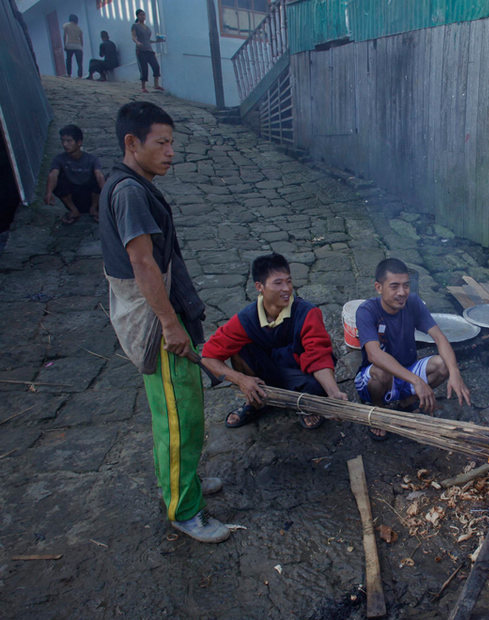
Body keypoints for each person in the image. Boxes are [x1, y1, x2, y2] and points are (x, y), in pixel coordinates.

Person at [99, 101, 229, 543]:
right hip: (159, 328)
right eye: (162, 142)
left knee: (178, 414)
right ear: (131, 143)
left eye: (173, 142)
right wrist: (171, 325)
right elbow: (143, 263)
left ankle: (181, 483)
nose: (171, 151)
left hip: (166, 320)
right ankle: (184, 510)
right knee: (179, 420)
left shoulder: (133, 185)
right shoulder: (130, 192)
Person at [201, 253, 348, 429]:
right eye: (278, 283)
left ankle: (308, 407)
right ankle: (255, 402)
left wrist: (333, 393)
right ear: (259, 287)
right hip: (264, 371)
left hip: (296, 370)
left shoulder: (307, 313)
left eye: (289, 281)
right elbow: (208, 357)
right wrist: (241, 379)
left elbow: (318, 356)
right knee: (239, 349)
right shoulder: (247, 319)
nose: (286, 288)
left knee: (317, 386)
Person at [355, 258, 471, 439]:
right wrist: (417, 381)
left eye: (406, 286)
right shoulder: (367, 311)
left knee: (443, 364)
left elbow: (439, 337)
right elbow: (373, 354)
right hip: (376, 377)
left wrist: (455, 373)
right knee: (381, 371)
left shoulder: (414, 302)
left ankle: (407, 402)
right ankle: (378, 410)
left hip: (408, 369)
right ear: (379, 287)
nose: (402, 293)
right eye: (394, 286)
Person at [44, 125, 105, 224]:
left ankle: (94, 209)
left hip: (90, 194)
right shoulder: (59, 159)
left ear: (79, 142)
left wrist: (106, 193)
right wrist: (48, 192)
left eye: (69, 141)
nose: (65, 144)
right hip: (73, 195)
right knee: (59, 181)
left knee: (99, 179)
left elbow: (99, 175)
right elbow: (53, 174)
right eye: (63, 141)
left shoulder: (91, 159)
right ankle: (73, 210)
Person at [131, 9, 162, 93]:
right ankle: (143, 87)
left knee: (156, 66)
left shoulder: (147, 28)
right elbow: (133, 36)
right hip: (141, 50)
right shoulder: (135, 26)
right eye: (141, 15)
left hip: (149, 50)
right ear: (137, 16)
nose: (143, 16)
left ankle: (156, 84)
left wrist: (157, 41)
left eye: (144, 15)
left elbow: (148, 40)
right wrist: (137, 42)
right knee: (144, 68)